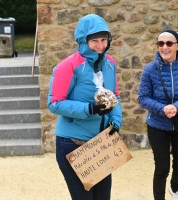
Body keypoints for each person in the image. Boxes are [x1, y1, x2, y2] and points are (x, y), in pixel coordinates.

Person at [47, 14, 122, 200]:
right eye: (94, 41)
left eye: (104, 40)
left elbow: (115, 98)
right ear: (83, 41)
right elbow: (54, 103)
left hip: (101, 142)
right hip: (72, 142)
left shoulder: (111, 64)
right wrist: (90, 109)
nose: (100, 45)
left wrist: (116, 123)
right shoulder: (67, 66)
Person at [137, 30, 178, 200]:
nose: (164, 47)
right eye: (160, 43)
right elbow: (143, 98)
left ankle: (175, 189)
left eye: (169, 43)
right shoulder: (150, 70)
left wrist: (177, 107)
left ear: (177, 46)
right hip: (158, 125)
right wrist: (162, 108)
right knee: (162, 168)